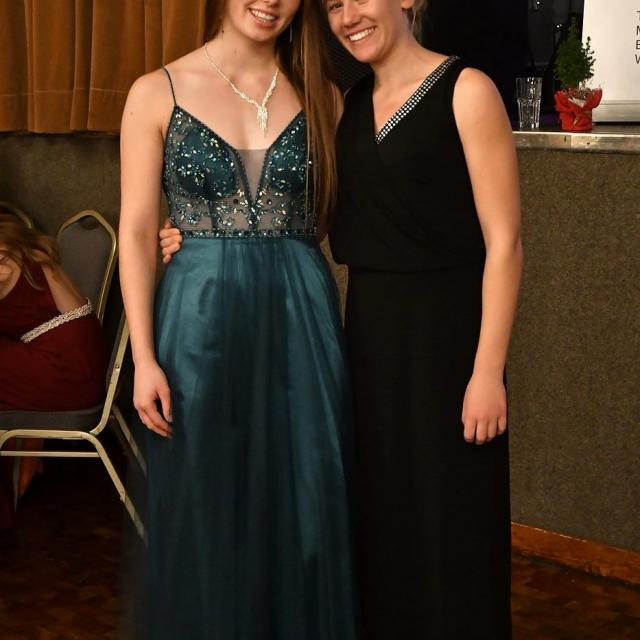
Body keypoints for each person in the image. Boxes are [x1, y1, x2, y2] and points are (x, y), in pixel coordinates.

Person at [160, 0, 522, 637]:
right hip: (368, 338)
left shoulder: (467, 90)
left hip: (447, 341)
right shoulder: (347, 107)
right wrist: (200, 236)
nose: (348, 15)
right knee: (381, 520)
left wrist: (488, 371)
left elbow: (506, 244)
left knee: (452, 519)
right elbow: (311, 221)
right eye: (334, 5)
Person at [118, 0, 357, 638]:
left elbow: (336, 223)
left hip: (301, 319)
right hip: (198, 322)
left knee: (307, 498)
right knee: (205, 501)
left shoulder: (326, 97)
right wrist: (144, 357)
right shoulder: (156, 92)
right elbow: (136, 231)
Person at [0, 211, 107, 529]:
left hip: (66, 369)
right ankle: (22, 457)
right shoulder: (13, 244)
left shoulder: (2, 260)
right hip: (79, 361)